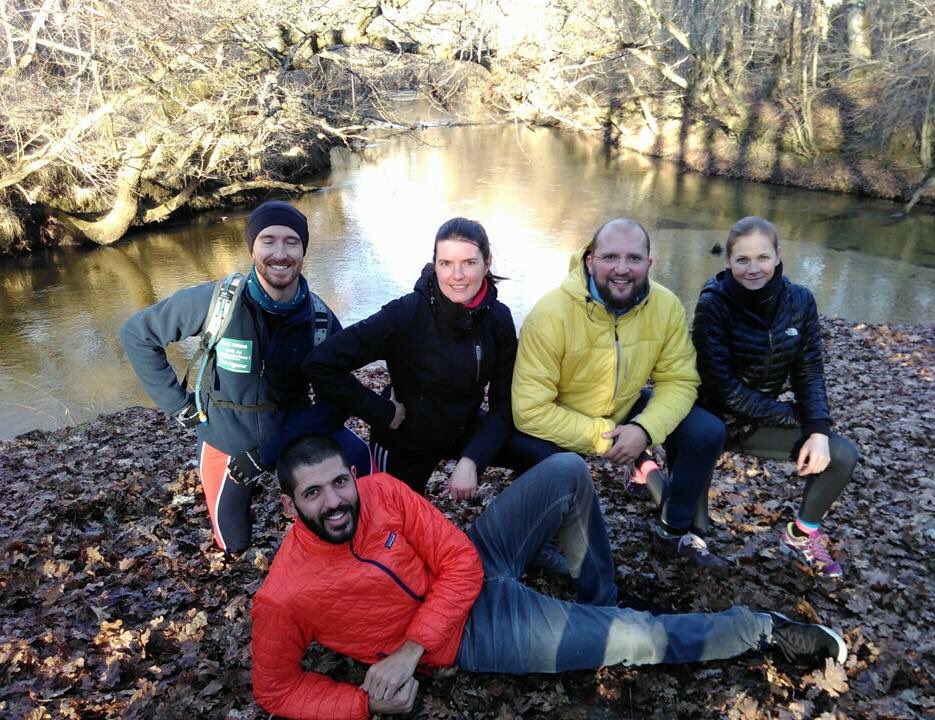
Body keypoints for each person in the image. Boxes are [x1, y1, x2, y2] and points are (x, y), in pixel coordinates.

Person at [251, 433, 847, 719]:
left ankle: (599, 595)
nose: (335, 501)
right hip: (475, 635)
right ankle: (759, 629)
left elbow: (458, 560)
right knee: (636, 640)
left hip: (472, 569)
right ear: (288, 506)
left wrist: (409, 648)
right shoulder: (284, 596)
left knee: (565, 469)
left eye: (339, 482)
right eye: (313, 493)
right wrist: (363, 705)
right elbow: (274, 689)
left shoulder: (381, 491)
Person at [120, 199, 371, 553]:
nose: (280, 254)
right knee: (233, 544)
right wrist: (178, 405)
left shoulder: (320, 319)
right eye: (268, 241)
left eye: (291, 242)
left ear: (303, 250)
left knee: (363, 463)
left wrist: (267, 454)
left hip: (292, 433)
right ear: (252, 247)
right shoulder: (216, 303)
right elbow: (137, 334)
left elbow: (337, 401)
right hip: (226, 434)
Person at [511, 218, 727, 567]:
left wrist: (643, 431)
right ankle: (541, 530)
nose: (622, 269)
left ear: (649, 263)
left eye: (634, 258)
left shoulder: (666, 306)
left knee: (707, 431)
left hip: (625, 404)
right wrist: (605, 439)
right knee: (545, 458)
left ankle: (672, 530)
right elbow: (530, 409)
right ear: (589, 260)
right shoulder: (550, 314)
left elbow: (680, 380)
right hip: (564, 414)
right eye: (610, 257)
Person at [302, 217, 532, 499]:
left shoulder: (498, 319)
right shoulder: (406, 314)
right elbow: (320, 363)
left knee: (550, 458)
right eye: (446, 263)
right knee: (398, 525)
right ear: (435, 264)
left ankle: (523, 526)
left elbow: (504, 405)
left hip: (463, 428)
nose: (456, 275)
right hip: (405, 440)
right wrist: (381, 411)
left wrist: (472, 459)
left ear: (487, 263)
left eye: (469, 263)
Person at [691, 216, 857, 577]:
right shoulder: (712, 304)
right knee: (688, 528)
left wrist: (817, 428)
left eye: (763, 257)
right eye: (742, 260)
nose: (754, 269)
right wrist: (791, 416)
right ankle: (645, 469)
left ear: (779, 254)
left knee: (841, 454)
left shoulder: (800, 301)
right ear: (727, 261)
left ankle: (800, 535)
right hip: (705, 421)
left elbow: (808, 371)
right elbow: (721, 386)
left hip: (758, 422)